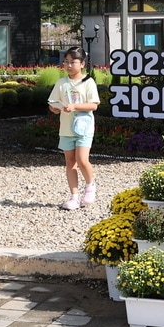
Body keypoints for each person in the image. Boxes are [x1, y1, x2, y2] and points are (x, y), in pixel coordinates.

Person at [47, 46, 100, 211]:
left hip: (84, 128)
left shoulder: (88, 82)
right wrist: (54, 108)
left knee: (82, 159)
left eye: (73, 62)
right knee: (70, 162)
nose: (69, 65)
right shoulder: (61, 83)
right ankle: (74, 197)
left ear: (82, 64)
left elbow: (94, 105)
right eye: (66, 62)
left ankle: (90, 185)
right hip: (66, 129)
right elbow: (52, 103)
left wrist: (75, 106)